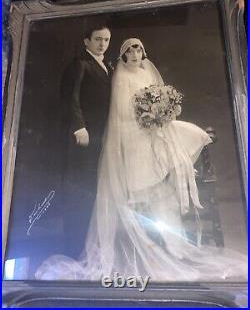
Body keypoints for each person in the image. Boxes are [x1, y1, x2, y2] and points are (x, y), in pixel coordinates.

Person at [36, 38, 247, 281]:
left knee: (185, 132)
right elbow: (121, 115)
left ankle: (170, 235)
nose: (135, 55)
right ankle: (148, 236)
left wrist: (161, 113)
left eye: (138, 51)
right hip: (132, 134)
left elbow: (162, 99)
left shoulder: (148, 70)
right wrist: (147, 119)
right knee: (146, 164)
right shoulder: (121, 77)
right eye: (130, 52)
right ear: (124, 55)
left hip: (151, 129)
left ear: (143, 52)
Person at [60, 23, 112, 258]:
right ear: (86, 42)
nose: (102, 44)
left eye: (106, 40)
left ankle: (96, 244)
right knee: (82, 189)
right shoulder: (80, 64)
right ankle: (76, 247)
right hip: (85, 135)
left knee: (97, 187)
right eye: (98, 39)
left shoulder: (107, 66)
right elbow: (70, 97)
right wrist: (78, 126)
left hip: (103, 135)